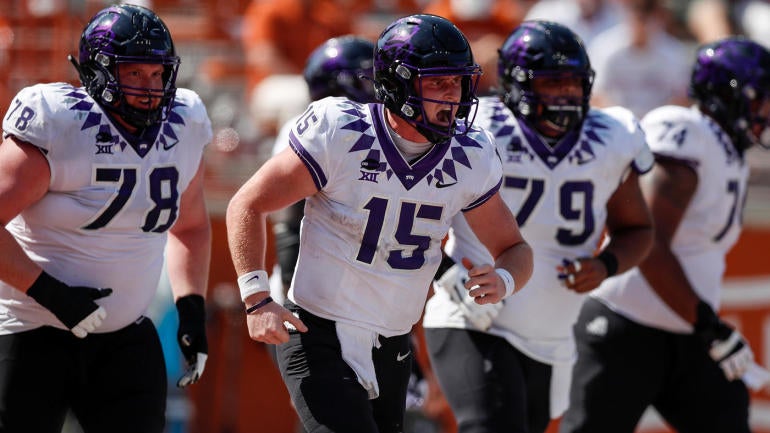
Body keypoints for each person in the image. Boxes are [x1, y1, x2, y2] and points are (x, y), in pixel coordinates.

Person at [226, 13, 534, 433]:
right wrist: (257, 298)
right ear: (400, 83)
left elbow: (516, 249)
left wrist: (505, 279)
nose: (454, 96)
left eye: (459, 81)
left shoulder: (471, 154)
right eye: (438, 82)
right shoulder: (341, 131)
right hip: (318, 332)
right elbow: (247, 204)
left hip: (393, 345)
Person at [421, 20, 655, 433]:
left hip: (552, 336)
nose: (565, 95)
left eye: (573, 83)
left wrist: (606, 265)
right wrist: (447, 273)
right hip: (474, 315)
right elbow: (408, 213)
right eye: (552, 83)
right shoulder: (475, 130)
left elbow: (637, 229)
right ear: (516, 84)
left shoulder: (613, 136)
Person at [0, 4, 212, 433]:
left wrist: (191, 309)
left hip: (124, 338)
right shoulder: (58, 124)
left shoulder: (184, 123)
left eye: (157, 74)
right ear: (98, 73)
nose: (149, 88)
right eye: (134, 74)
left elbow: (189, 226)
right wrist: (50, 293)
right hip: (30, 331)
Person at [559, 36, 770, 433]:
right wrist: (710, 325)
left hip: (684, 329)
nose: (766, 111)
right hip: (625, 325)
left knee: (727, 413)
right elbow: (649, 242)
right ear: (730, 95)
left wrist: (702, 325)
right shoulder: (688, 132)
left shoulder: (728, 150)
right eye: (760, 98)